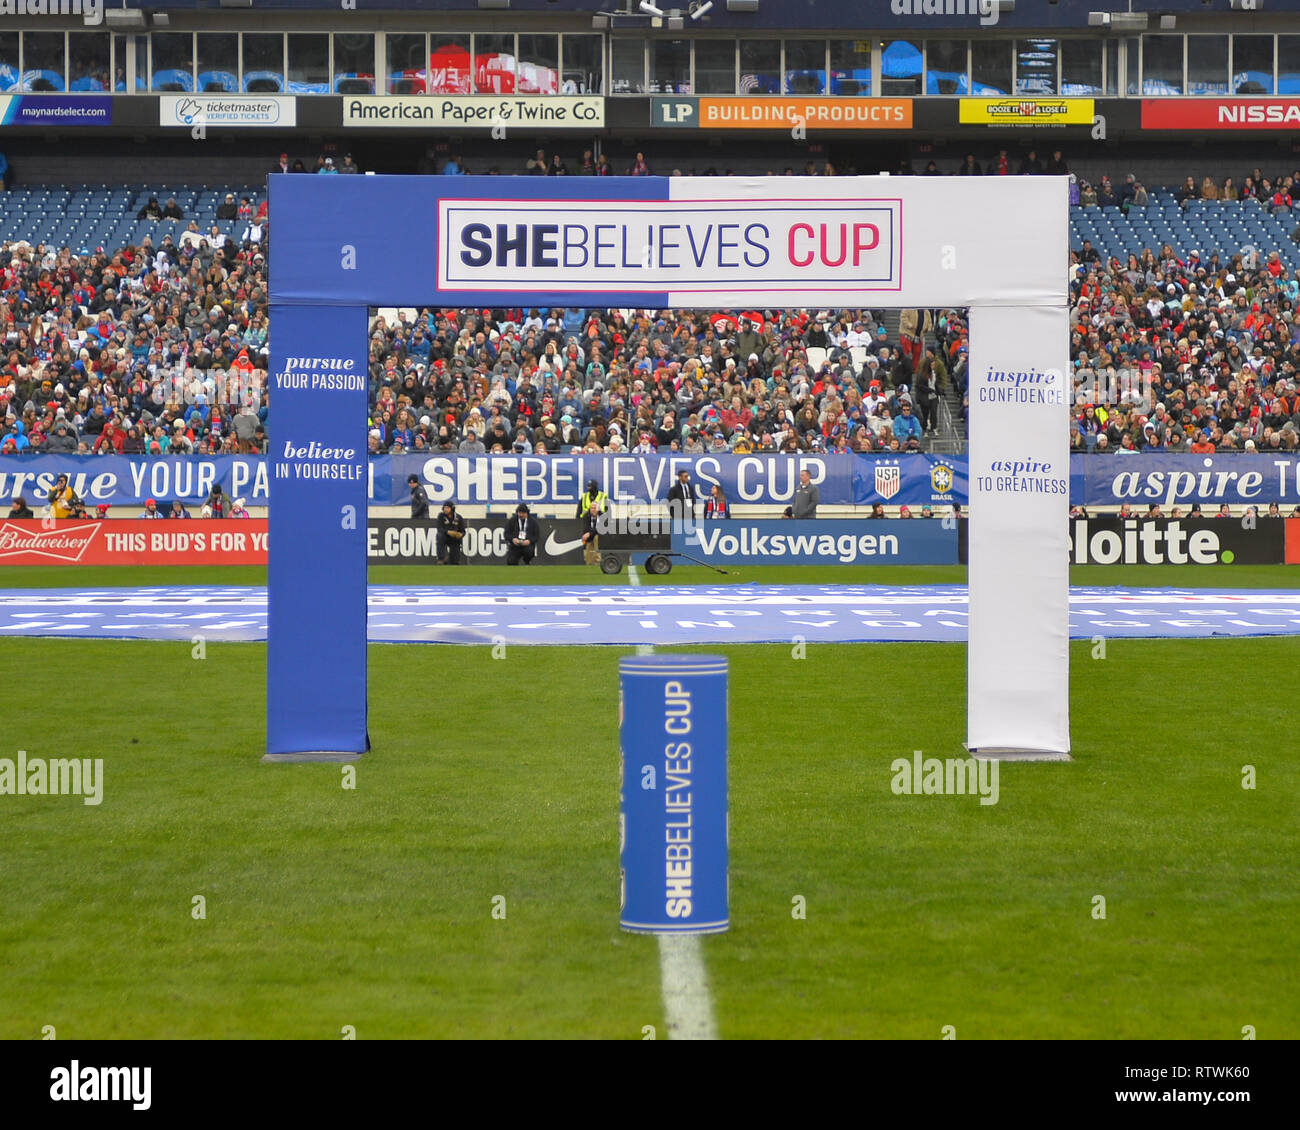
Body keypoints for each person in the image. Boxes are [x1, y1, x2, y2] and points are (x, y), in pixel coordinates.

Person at [577, 478, 607, 565]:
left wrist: (590, 533)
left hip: (599, 529)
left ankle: (598, 561)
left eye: (590, 486)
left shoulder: (603, 496)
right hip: (588, 524)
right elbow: (579, 511)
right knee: (588, 544)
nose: (589, 488)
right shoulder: (584, 497)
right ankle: (589, 561)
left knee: (596, 538)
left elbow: (605, 519)